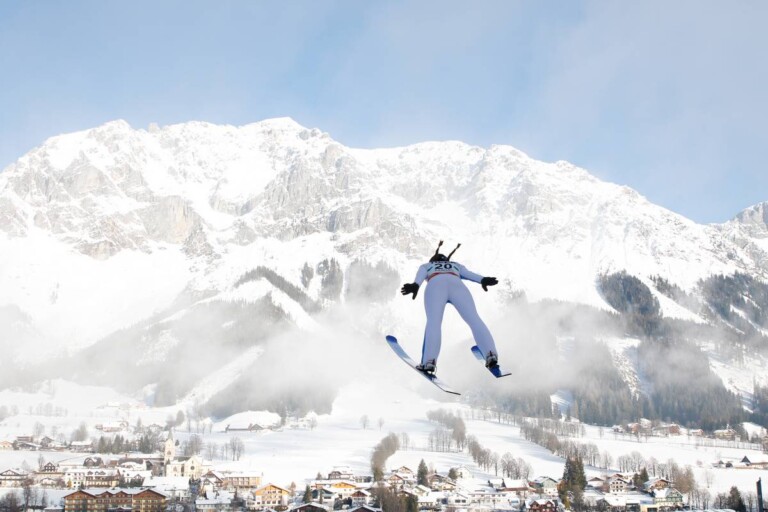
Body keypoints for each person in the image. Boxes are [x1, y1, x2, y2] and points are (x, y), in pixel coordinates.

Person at [400, 240, 499, 374]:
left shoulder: (427, 265)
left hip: (435, 285)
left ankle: (429, 362)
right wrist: (483, 279)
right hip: (457, 285)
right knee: (474, 320)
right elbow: (470, 275)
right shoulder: (455, 265)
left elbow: (419, 278)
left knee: (434, 322)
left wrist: (415, 286)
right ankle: (490, 354)